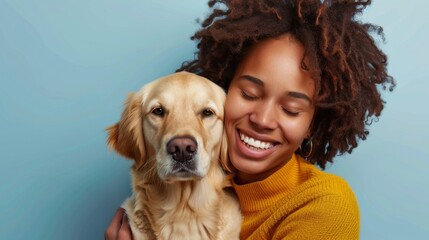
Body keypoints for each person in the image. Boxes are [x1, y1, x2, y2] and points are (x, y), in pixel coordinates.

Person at [105, 0, 395, 239]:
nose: (263, 119)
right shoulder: (182, 184)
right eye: (249, 93)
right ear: (225, 88)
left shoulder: (327, 205)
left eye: (292, 109)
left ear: (312, 125)